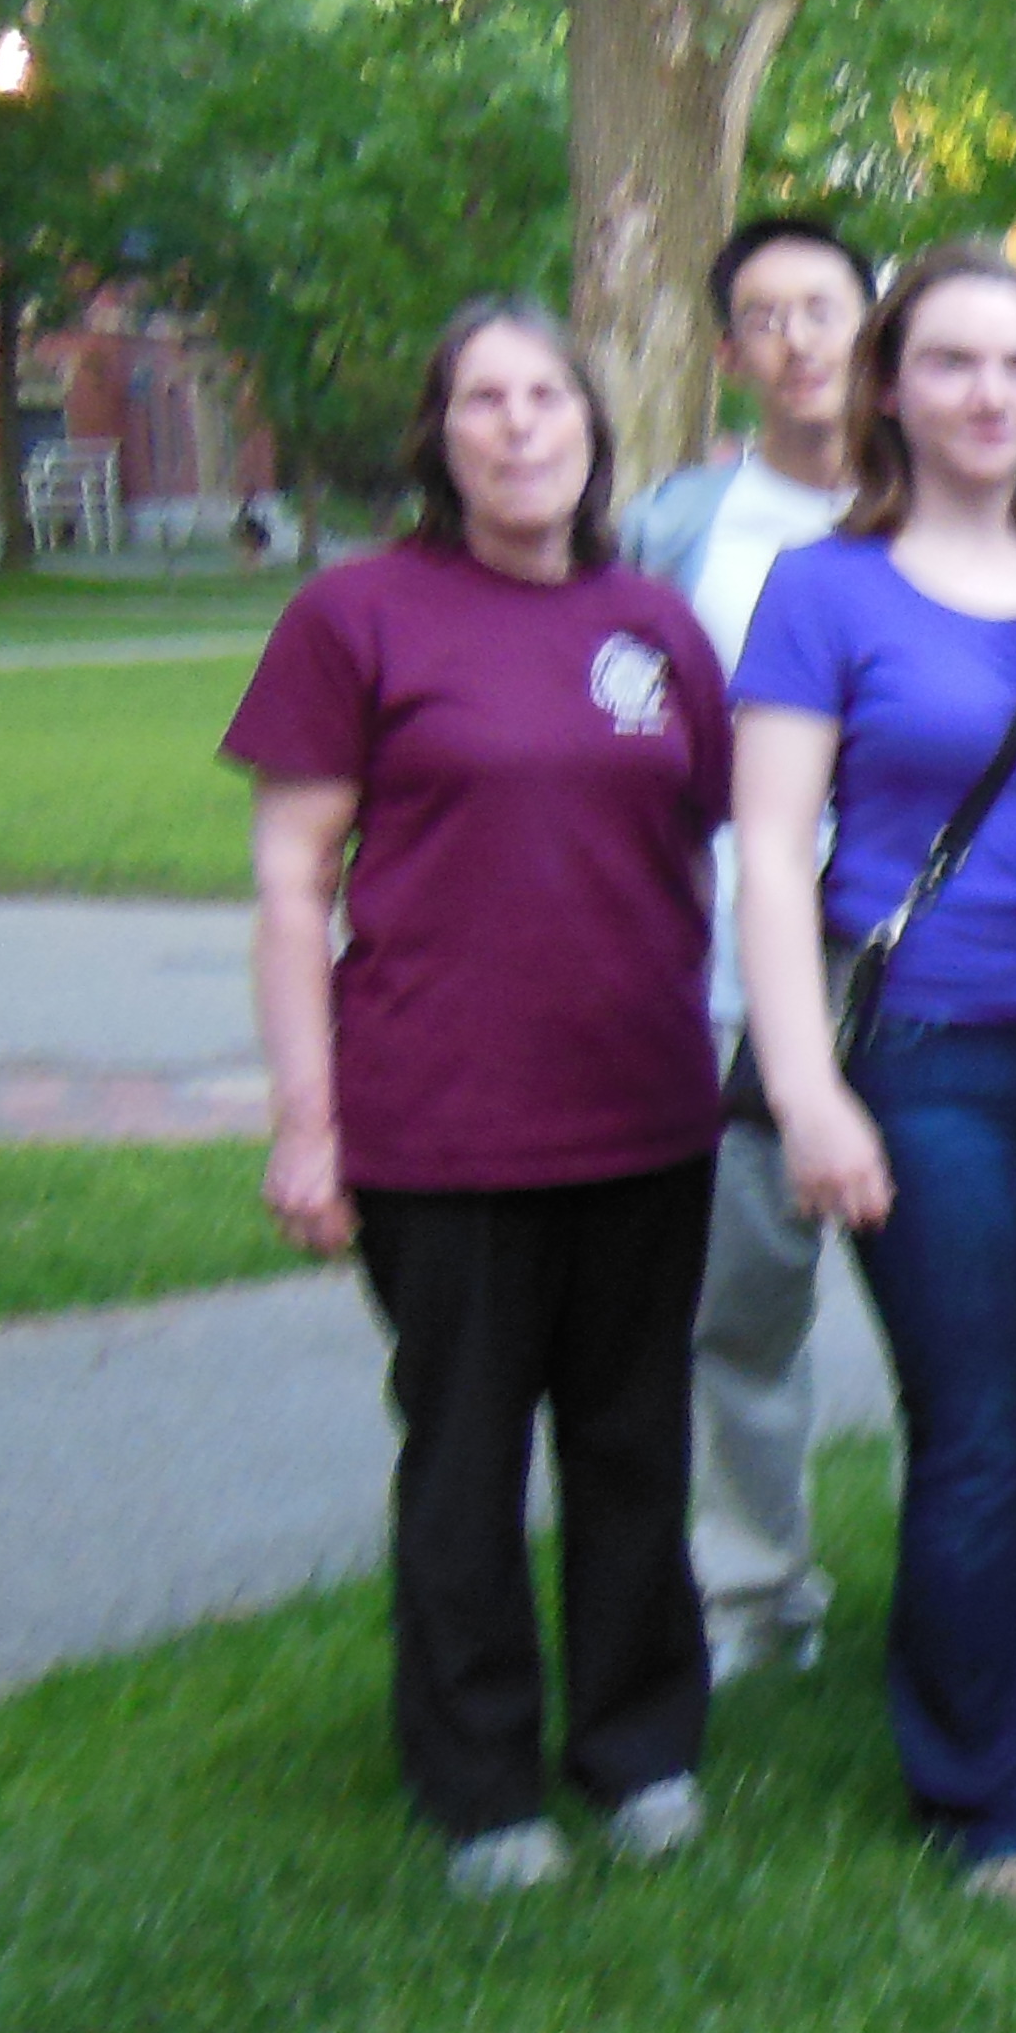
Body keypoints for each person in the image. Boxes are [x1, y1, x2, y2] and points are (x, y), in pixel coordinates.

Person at [223, 301, 730, 1894]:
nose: (519, 428)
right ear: (439, 440)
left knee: (635, 1443)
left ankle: (640, 1748)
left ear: (593, 430)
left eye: (546, 399)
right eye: (483, 402)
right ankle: (481, 1784)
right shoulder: (357, 616)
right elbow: (292, 883)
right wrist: (306, 1123)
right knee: (463, 1457)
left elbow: (710, 849)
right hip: (442, 1124)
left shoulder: (655, 626)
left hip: (644, 1114)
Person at [732, 246, 1016, 1902]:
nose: (991, 394)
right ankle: (976, 1785)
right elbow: (771, 862)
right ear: (890, 388)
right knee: (977, 1426)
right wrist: (809, 1093)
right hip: (927, 1062)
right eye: (951, 362)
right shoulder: (822, 594)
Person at [621, 212, 876, 1687]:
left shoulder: (946, 513)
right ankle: (755, 1586)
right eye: (765, 318)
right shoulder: (679, 533)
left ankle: (983, 1592)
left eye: (823, 308)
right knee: (743, 1308)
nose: (798, 342)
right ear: (728, 354)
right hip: (732, 977)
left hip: (922, 973)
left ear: (870, 328)